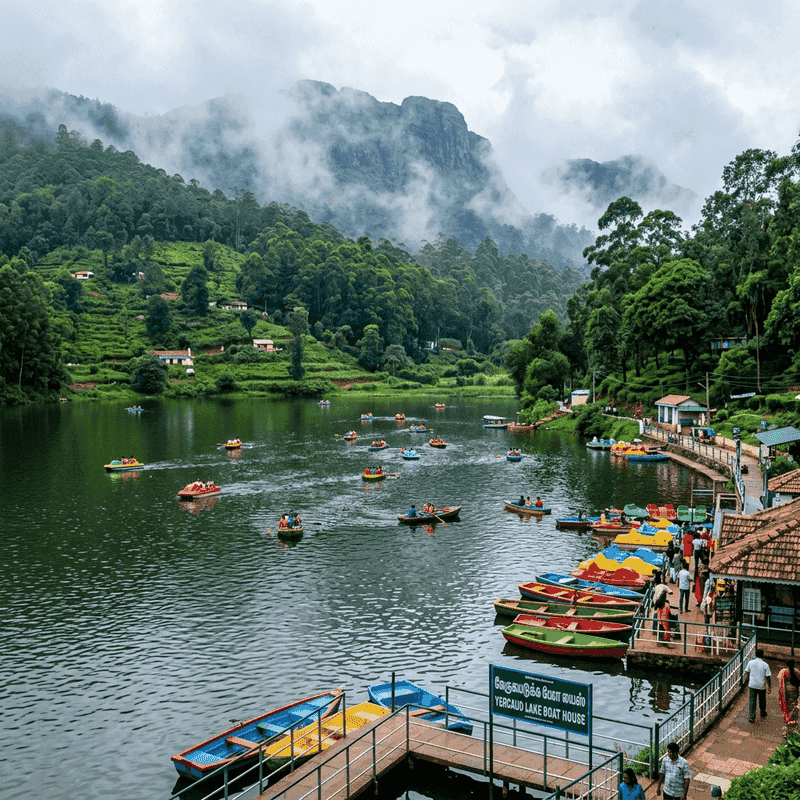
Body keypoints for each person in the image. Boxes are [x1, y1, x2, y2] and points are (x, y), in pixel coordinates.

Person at [744, 648, 772, 723]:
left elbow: (746, 672)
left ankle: (752, 717)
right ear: (762, 655)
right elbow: (768, 677)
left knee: (752, 701)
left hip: (752, 685)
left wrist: (747, 681)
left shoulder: (750, 662)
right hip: (761, 685)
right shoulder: (765, 665)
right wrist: (769, 686)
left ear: (755, 655)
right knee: (762, 700)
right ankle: (762, 712)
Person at [778, 658, 800, 733]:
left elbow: (780, 681)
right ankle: (793, 723)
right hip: (795, 693)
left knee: (786, 708)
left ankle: (788, 724)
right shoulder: (797, 672)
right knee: (794, 707)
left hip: (786, 694)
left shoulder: (783, 672)